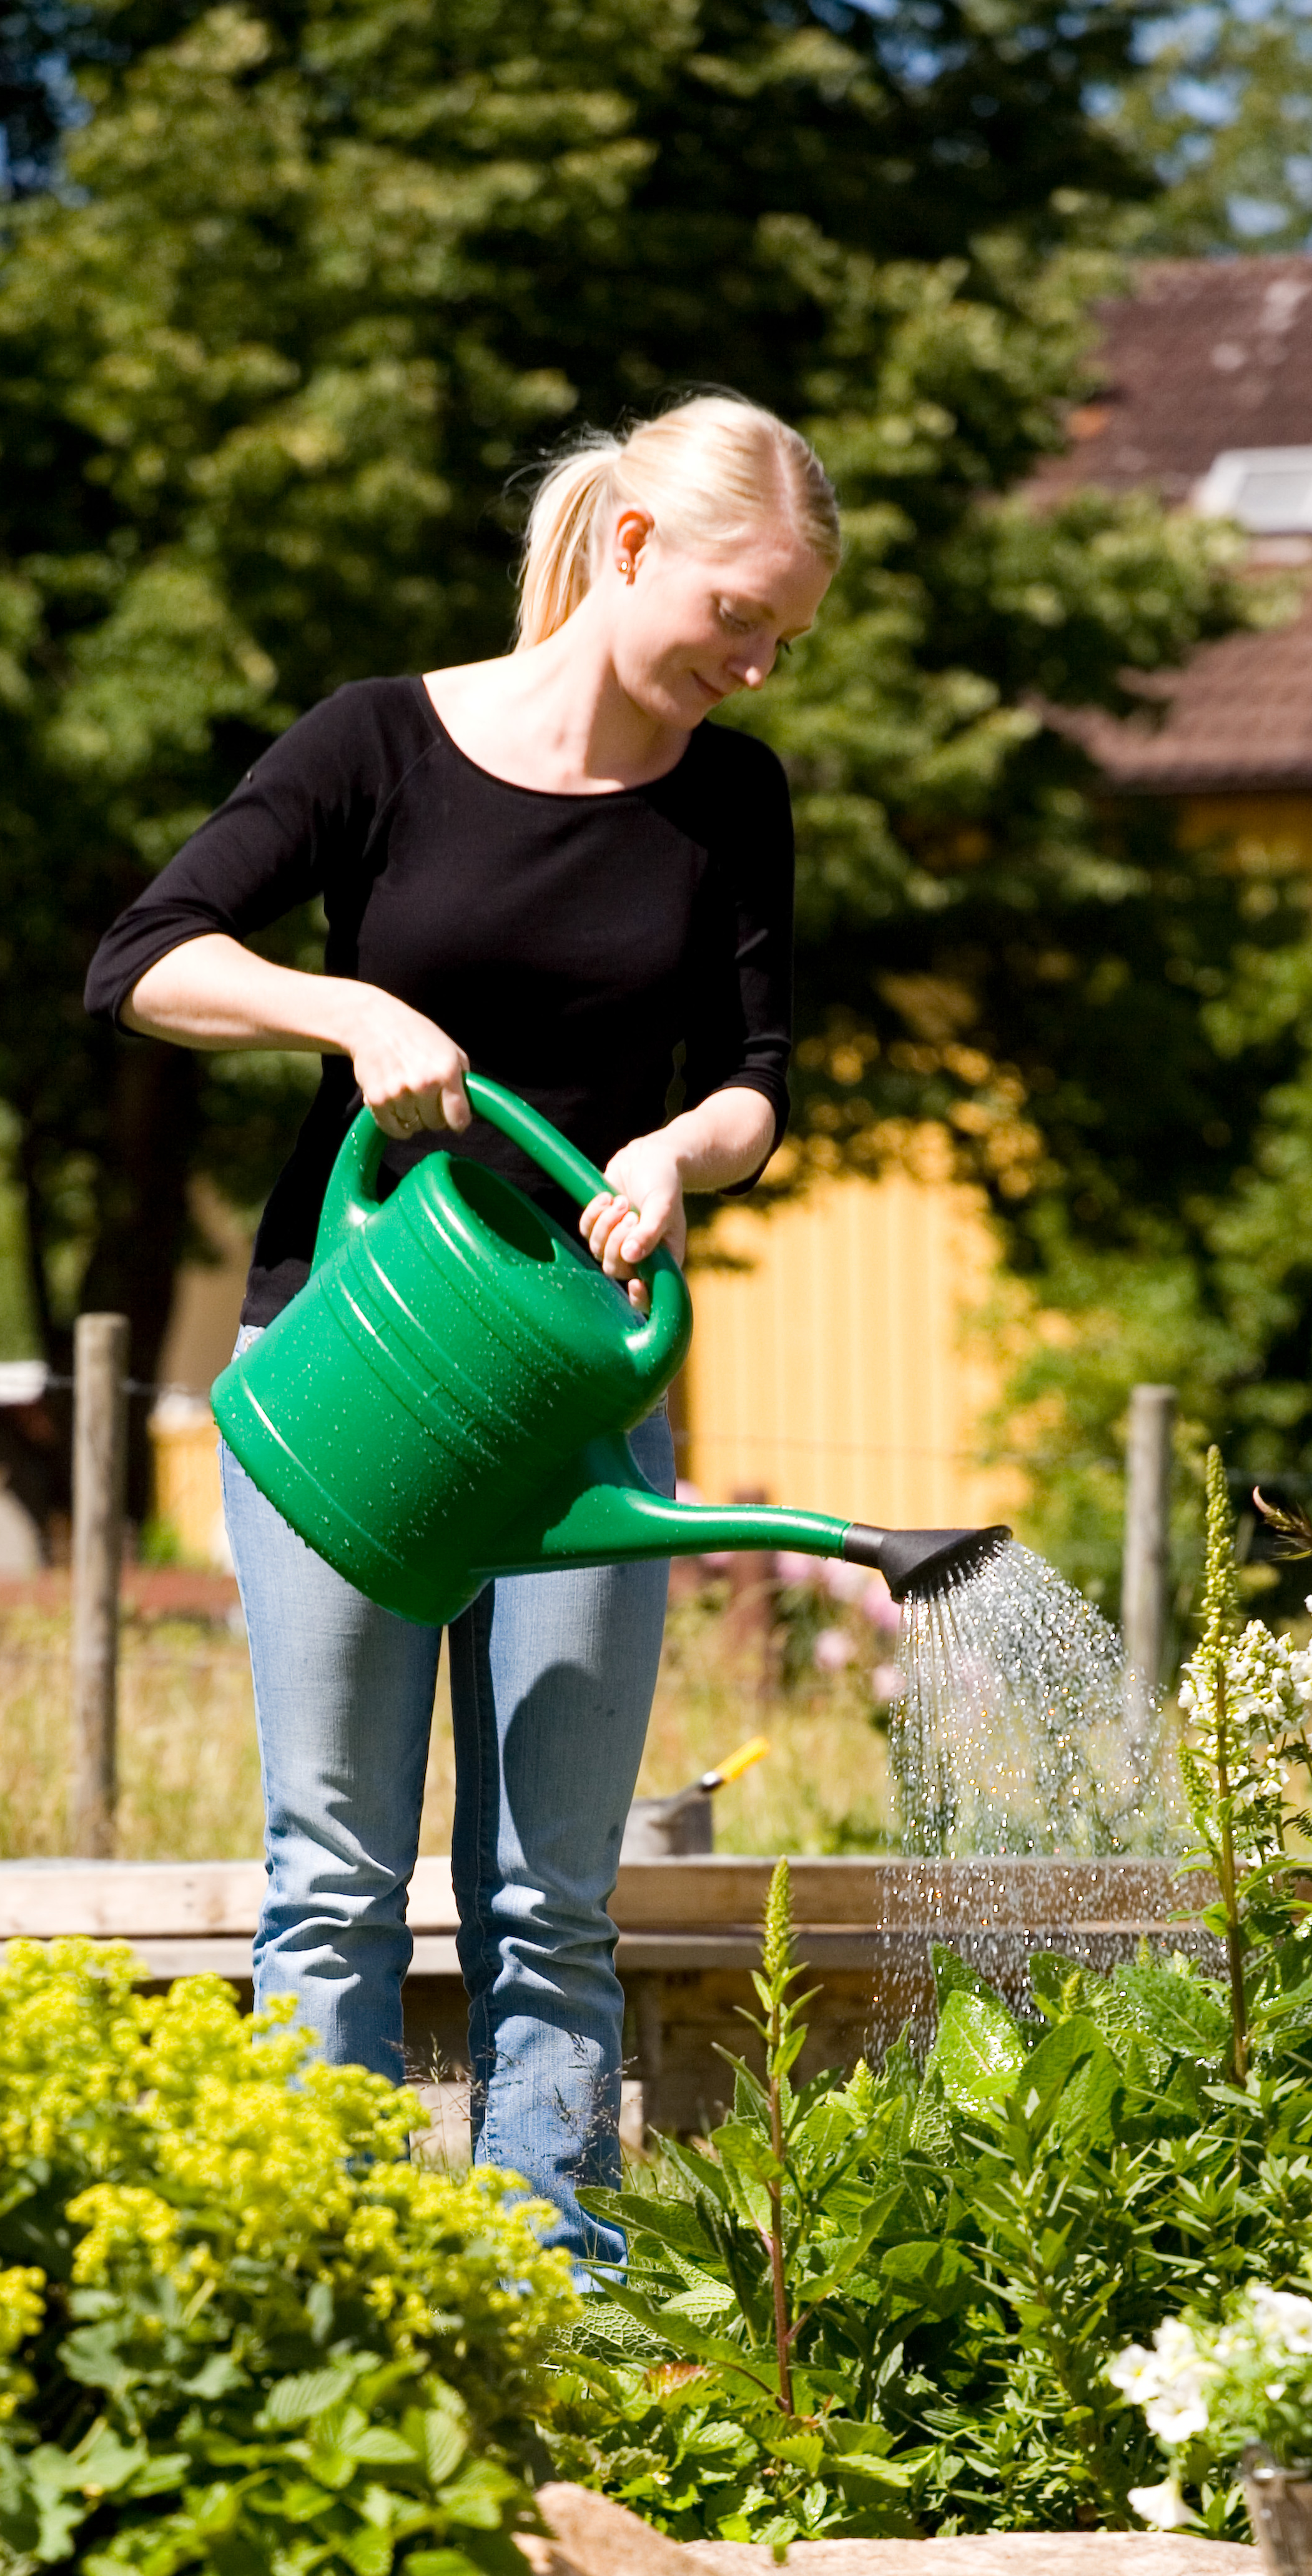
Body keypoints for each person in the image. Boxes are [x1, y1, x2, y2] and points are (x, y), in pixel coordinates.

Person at [84, 394, 839, 2264]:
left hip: (578, 1390)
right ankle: (316, 2291)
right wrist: (347, 1015)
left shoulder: (731, 802)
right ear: (634, 546)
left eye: (785, 641)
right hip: (354, 1374)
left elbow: (760, 1082)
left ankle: (554, 2300)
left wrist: (680, 1151)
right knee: (334, 1882)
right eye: (741, 616)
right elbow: (145, 960)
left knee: (553, 1900)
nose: (753, 666)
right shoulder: (380, 745)